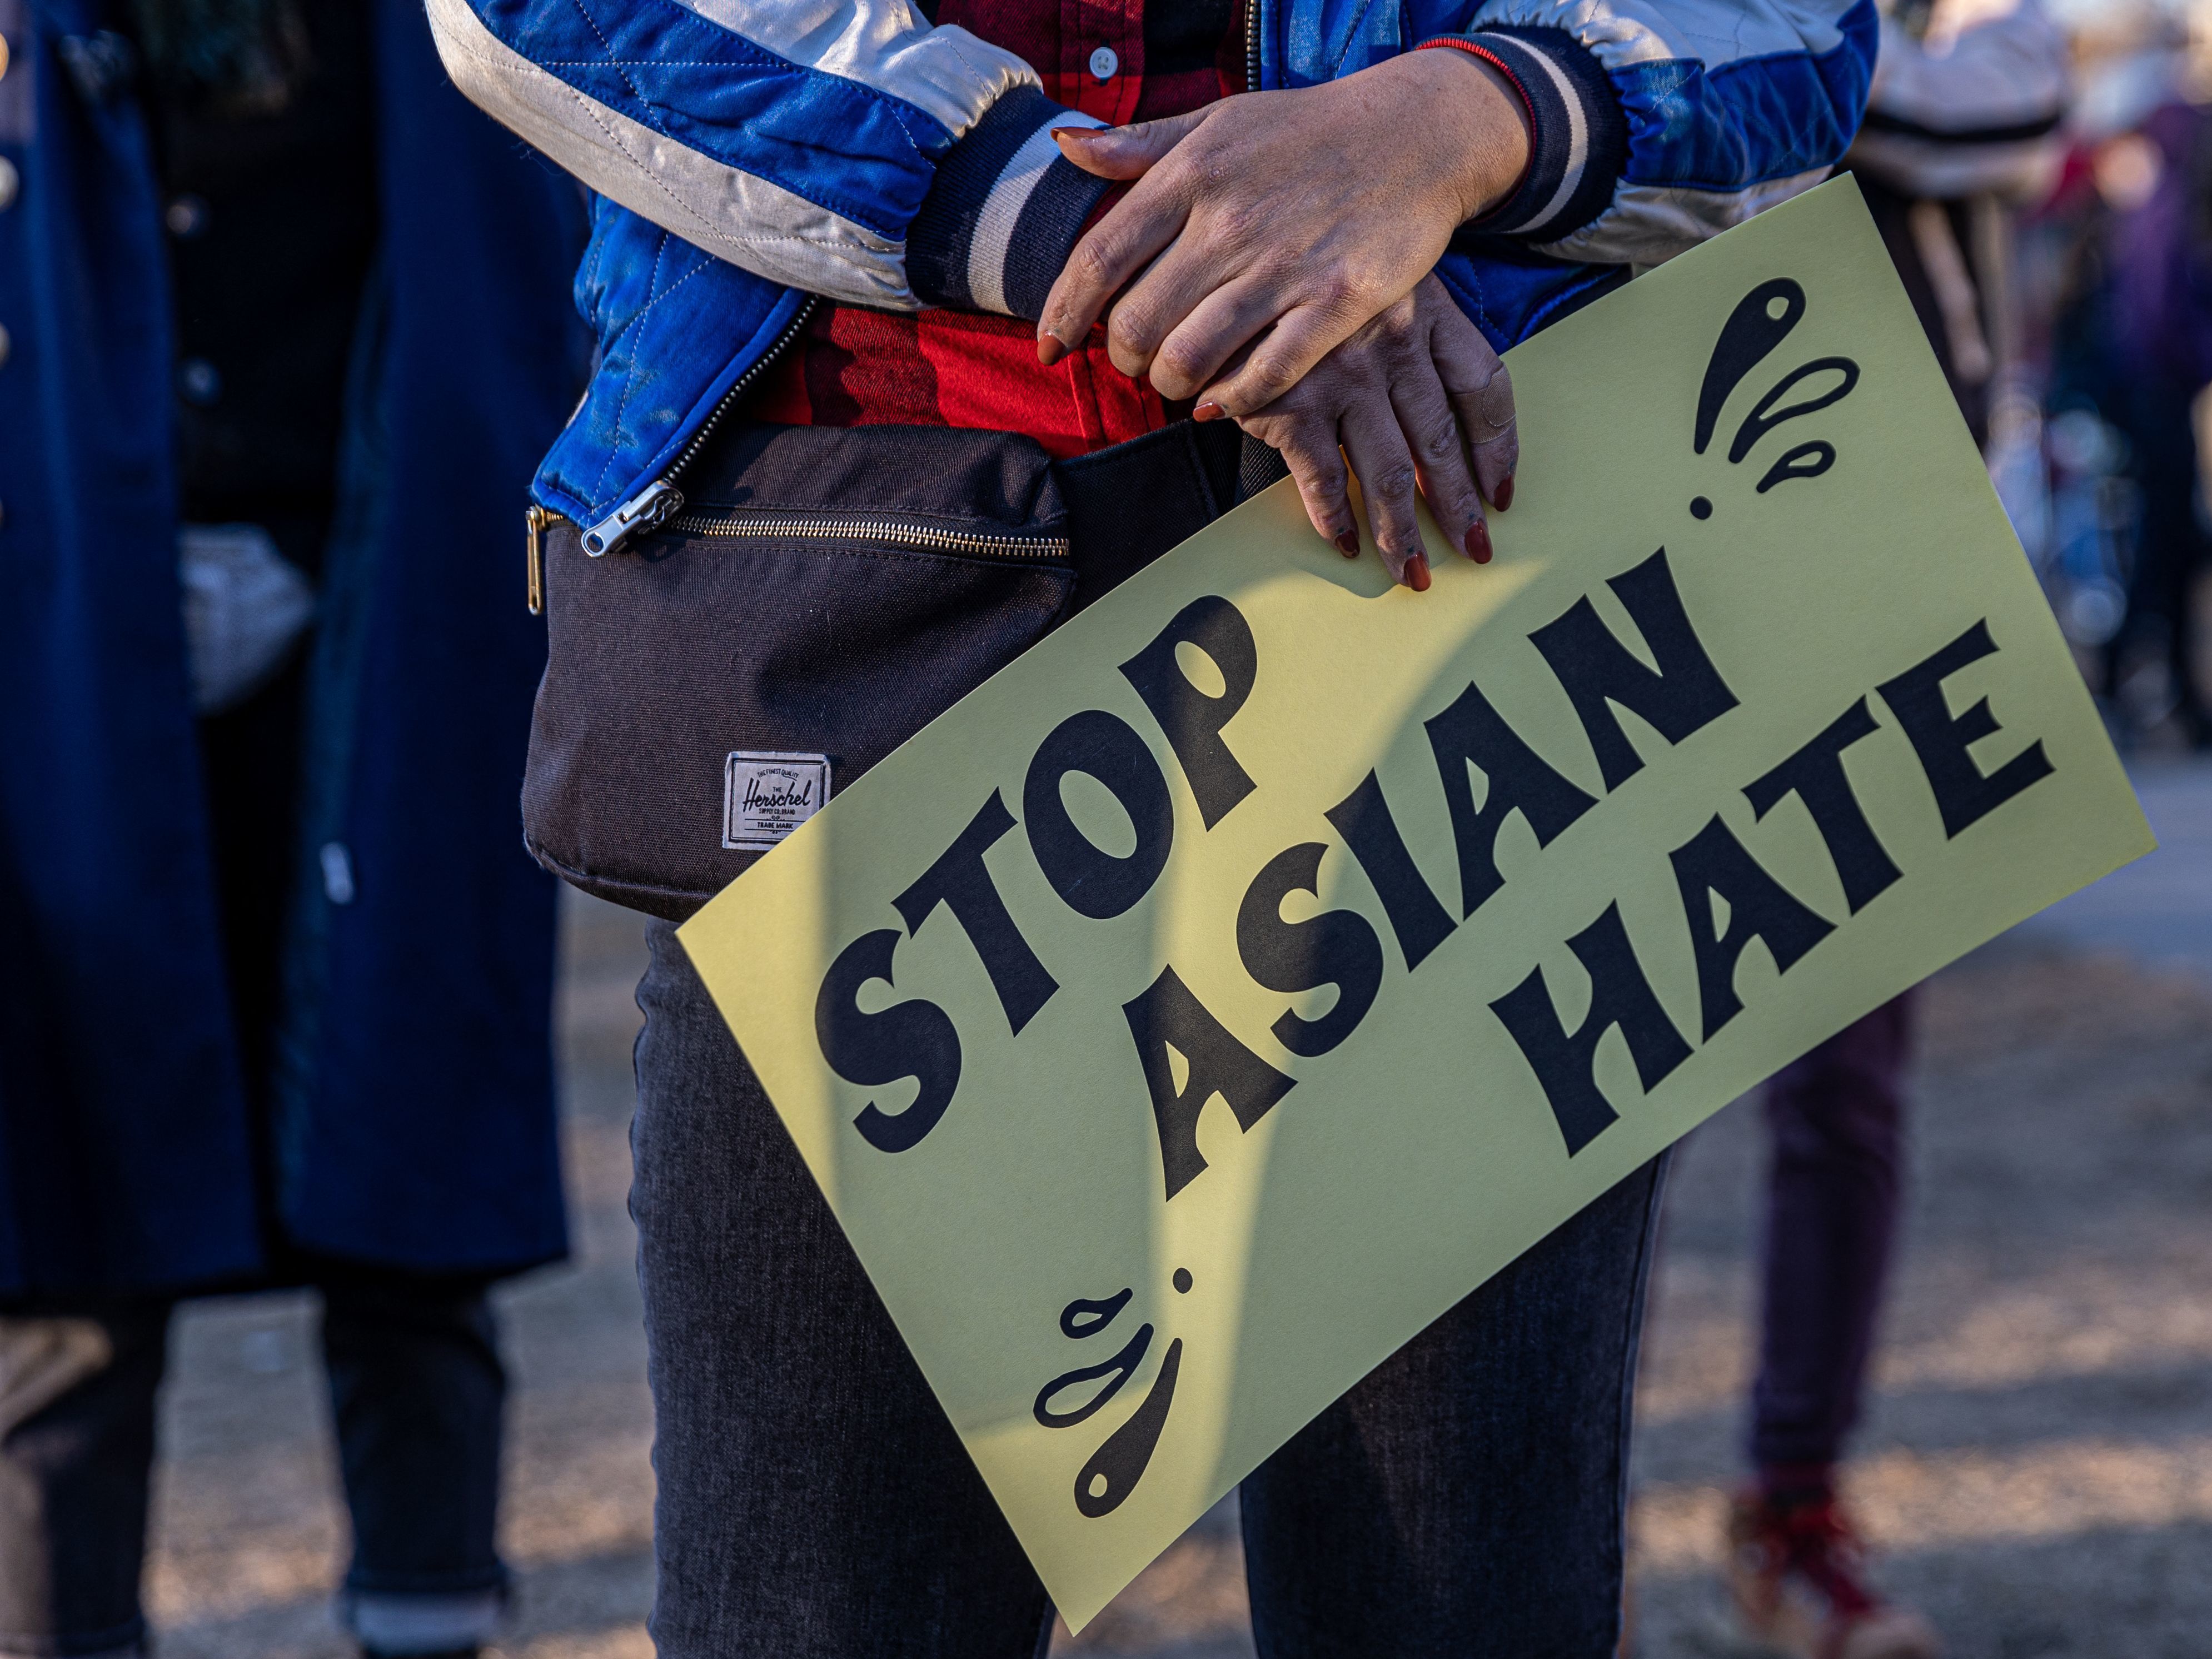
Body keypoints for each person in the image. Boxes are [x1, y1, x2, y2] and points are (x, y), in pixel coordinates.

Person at [430, 0, 1875, 1651]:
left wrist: (1448, 126)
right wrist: (1168, 242)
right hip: (903, 584)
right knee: (827, 1606)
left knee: (1454, 1606)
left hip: (1456, 602)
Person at [0, 0, 587, 1654]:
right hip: (62, 644)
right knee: (66, 1250)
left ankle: (426, 1622)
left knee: (406, 1199)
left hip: (383, 615)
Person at [1716, 6, 2065, 1653]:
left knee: (1847, 1083)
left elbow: (1997, 107)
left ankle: (1792, 1500)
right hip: (1677, 563)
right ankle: (1538, 1542)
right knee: (1556, 1106)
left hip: (1883, 567)